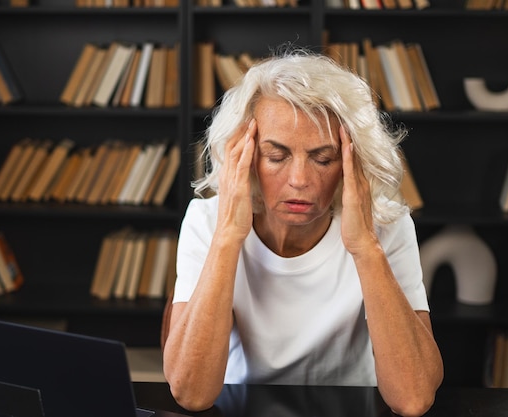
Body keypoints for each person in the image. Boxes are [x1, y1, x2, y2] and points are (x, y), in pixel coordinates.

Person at [162, 44, 444, 417]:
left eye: (323, 158)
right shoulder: (207, 221)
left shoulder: (388, 228)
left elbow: (413, 398)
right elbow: (191, 393)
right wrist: (228, 236)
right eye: (276, 156)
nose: (299, 180)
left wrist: (365, 247)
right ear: (243, 157)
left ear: (351, 161)